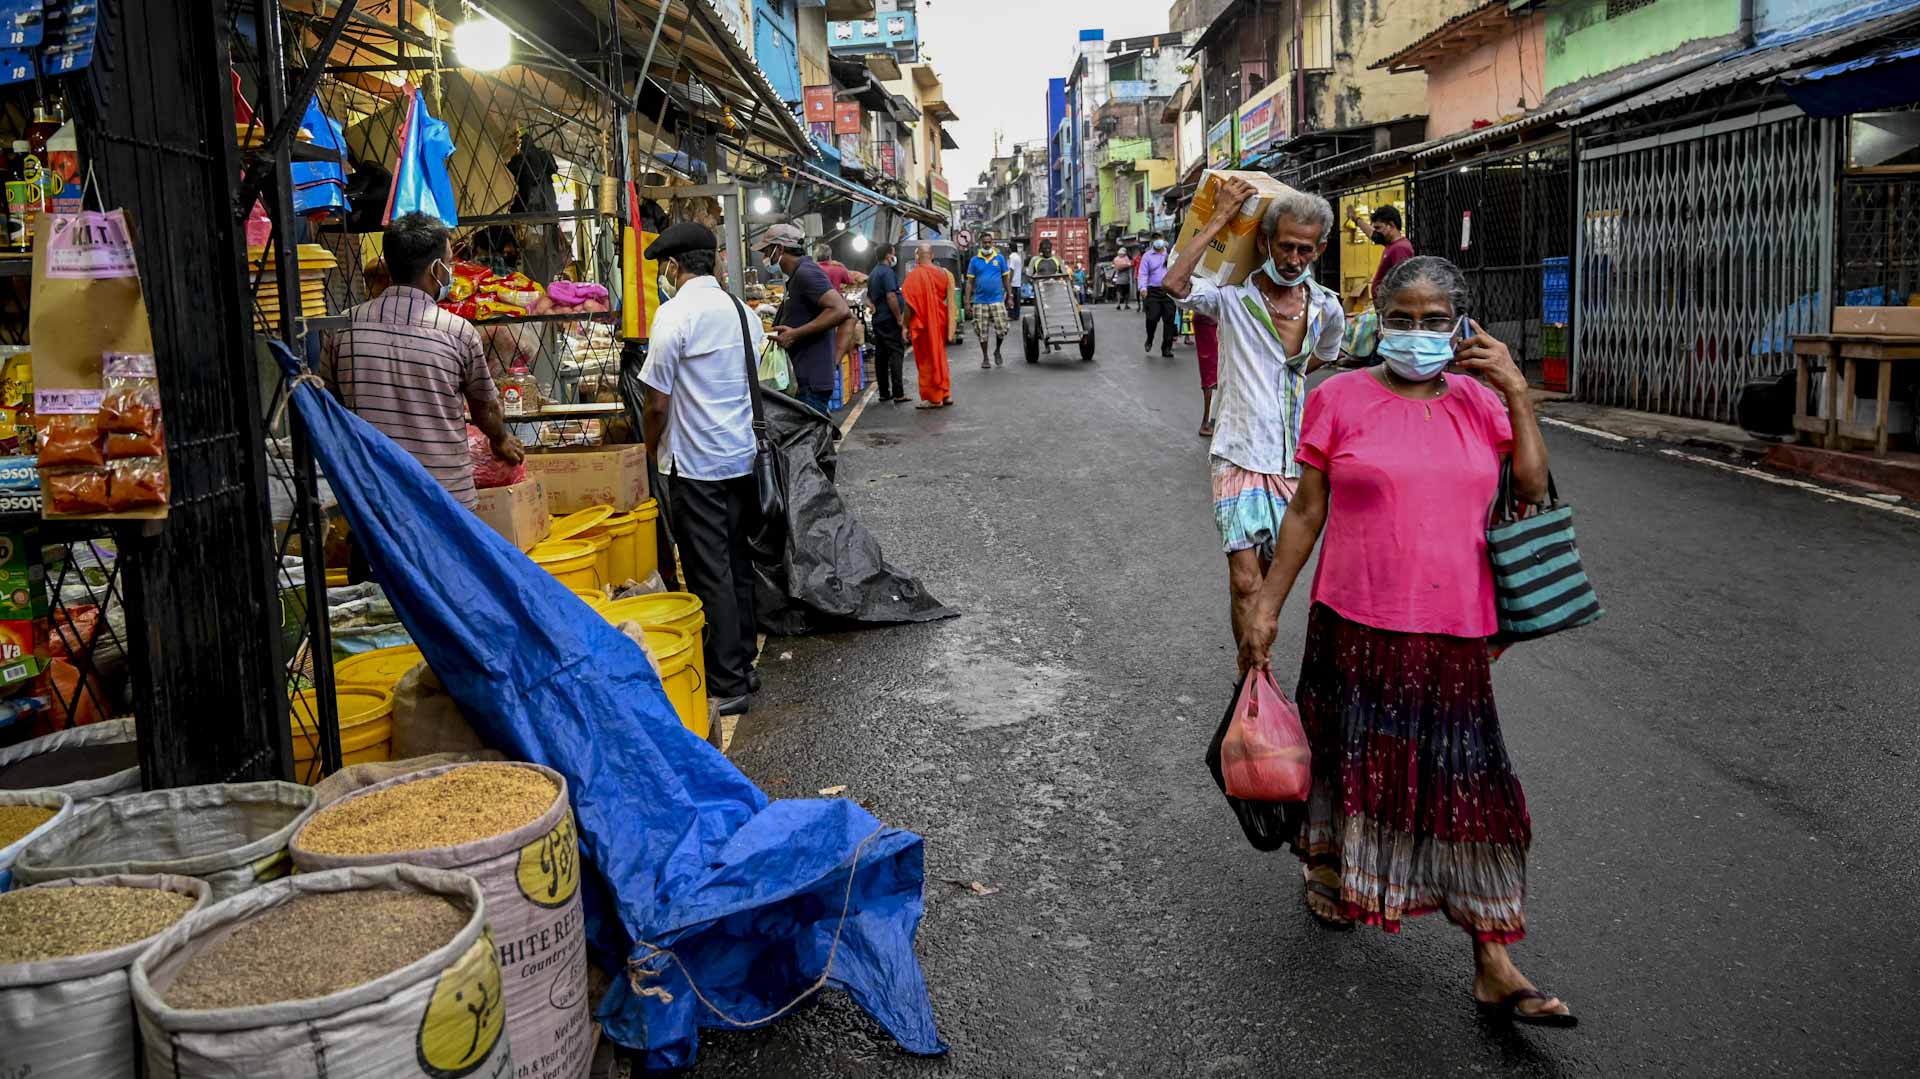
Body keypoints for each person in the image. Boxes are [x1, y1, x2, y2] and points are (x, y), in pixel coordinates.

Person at [1234, 255, 1571, 1027]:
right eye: (1401, 319)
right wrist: (1266, 605)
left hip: (1455, 634)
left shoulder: (1483, 404)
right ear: (1375, 319)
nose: (1416, 334)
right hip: (1351, 622)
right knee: (1348, 759)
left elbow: (1528, 488)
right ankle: (1329, 865)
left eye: (1433, 320)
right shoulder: (1337, 398)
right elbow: (1307, 513)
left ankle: (1493, 958)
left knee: (1469, 791)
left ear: (1460, 327)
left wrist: (1517, 389)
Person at [1164, 176, 1343, 660]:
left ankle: (1251, 658)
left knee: (1267, 584)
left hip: (1294, 465)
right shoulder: (1232, 298)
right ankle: (1254, 682)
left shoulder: (1327, 308)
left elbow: (1320, 359)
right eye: (1285, 246)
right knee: (1244, 582)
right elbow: (1174, 283)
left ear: (1319, 248)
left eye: (1305, 250)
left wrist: (1280, 384)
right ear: (1265, 241)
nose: (1294, 259)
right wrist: (1222, 216)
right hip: (1237, 454)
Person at [638, 222, 763, 718]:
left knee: (710, 572)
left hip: (696, 465)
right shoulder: (743, 312)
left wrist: (650, 451)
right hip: (742, 458)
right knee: (736, 563)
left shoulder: (673, 315)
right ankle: (744, 665)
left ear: (673, 266)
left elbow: (655, 404)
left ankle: (728, 681)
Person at [321, 211, 523, 517]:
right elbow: (486, 408)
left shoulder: (343, 326)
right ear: (437, 270)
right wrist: (500, 439)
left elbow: (329, 403)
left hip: (373, 500)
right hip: (445, 501)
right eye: (450, 263)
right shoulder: (458, 332)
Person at [762, 223, 851, 413]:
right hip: (805, 378)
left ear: (779, 249)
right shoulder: (796, 276)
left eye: (766, 251)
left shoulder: (806, 273)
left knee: (808, 440)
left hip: (811, 382)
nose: (764, 257)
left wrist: (795, 335)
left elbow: (842, 311)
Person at [903, 245, 953, 408]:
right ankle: (945, 394)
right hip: (939, 320)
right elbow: (944, 297)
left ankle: (934, 397)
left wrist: (904, 326)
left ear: (917, 256)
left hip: (923, 323)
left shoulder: (914, 275)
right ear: (932, 255)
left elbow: (910, 305)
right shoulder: (943, 274)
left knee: (927, 360)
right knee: (939, 356)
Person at [866, 243, 911, 404]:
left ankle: (884, 392)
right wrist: (899, 318)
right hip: (889, 320)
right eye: (893, 253)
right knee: (896, 354)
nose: (894, 257)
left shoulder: (873, 273)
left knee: (881, 356)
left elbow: (868, 297)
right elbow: (891, 297)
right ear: (888, 255)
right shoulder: (887, 273)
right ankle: (898, 393)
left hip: (878, 319)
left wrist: (872, 306)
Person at [965, 233, 1012, 369]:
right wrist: (967, 302)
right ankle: (985, 357)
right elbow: (969, 282)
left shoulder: (1000, 258)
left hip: (997, 299)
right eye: (984, 243)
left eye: (989, 242)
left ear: (992, 243)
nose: (987, 245)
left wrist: (1010, 296)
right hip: (980, 301)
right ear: (981, 243)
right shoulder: (974, 260)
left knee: (1002, 329)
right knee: (981, 331)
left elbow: (1005, 279)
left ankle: (997, 350)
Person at [1361, 203, 1415, 302]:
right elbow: (1372, 235)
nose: (1376, 232)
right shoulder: (1391, 245)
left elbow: (1401, 283)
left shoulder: (1400, 248)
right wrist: (1356, 220)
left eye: (1378, 228)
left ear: (1391, 225)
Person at [1138, 232, 1176, 358]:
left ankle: (1166, 348)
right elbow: (1143, 273)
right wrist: (1143, 288)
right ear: (1152, 242)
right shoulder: (1147, 256)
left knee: (1169, 321)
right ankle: (1150, 338)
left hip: (1169, 291)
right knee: (1152, 318)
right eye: (1155, 240)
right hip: (1153, 291)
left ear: (1164, 240)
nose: (1158, 242)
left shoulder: (1171, 254)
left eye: (1160, 239)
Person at [1030, 240, 1067, 354]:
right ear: (1040, 249)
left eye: (1048, 248)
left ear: (1051, 248)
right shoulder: (1035, 260)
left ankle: (1055, 341)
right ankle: (1047, 345)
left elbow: (1065, 274)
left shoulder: (1057, 259)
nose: (1047, 250)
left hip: (1054, 293)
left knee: (1054, 317)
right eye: (1044, 248)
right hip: (1040, 293)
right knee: (1041, 318)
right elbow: (1030, 274)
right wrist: (1036, 279)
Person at [1193, 313, 1219, 437]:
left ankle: (1210, 420)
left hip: (1215, 319)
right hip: (1209, 320)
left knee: (1215, 370)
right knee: (1211, 372)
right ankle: (1207, 422)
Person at [1005, 240, 1025, 319]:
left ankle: (1011, 315)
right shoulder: (1017, 256)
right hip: (1017, 282)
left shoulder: (1012, 257)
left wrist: (1008, 281)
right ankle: (1016, 316)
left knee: (1010, 299)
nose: (1006, 250)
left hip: (1012, 282)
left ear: (1010, 248)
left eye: (1007, 248)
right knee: (1016, 301)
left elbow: (1011, 270)